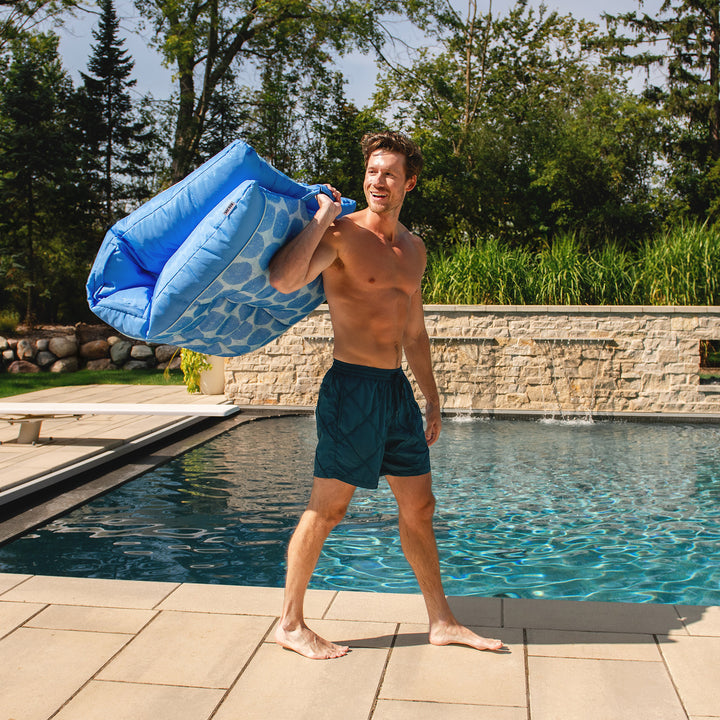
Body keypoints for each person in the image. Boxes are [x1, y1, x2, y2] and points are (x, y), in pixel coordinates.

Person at [268, 130, 503, 659]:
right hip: (351, 388)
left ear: (409, 183)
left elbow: (414, 333)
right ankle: (289, 623)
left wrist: (433, 398)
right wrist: (322, 218)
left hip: (396, 392)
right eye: (373, 171)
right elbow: (283, 279)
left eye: (390, 173)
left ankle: (441, 621)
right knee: (327, 509)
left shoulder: (414, 249)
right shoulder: (341, 234)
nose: (378, 181)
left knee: (420, 506)